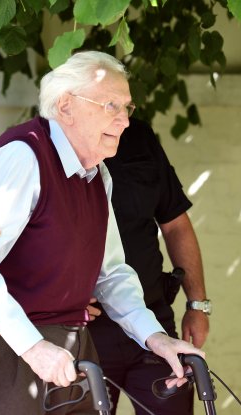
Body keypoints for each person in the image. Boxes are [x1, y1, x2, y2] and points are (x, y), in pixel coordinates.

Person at [0, 50, 204, 415]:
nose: (125, 121)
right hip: (4, 348)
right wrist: (33, 346)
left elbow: (112, 274)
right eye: (111, 105)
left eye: (126, 108)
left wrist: (156, 339)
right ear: (66, 106)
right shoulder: (23, 157)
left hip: (71, 346)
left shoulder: (98, 175)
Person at [87, 118, 209, 414]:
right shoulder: (46, 147)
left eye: (126, 104)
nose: (124, 113)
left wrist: (197, 305)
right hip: (85, 330)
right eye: (113, 103)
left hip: (152, 320)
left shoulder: (137, 134)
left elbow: (175, 223)